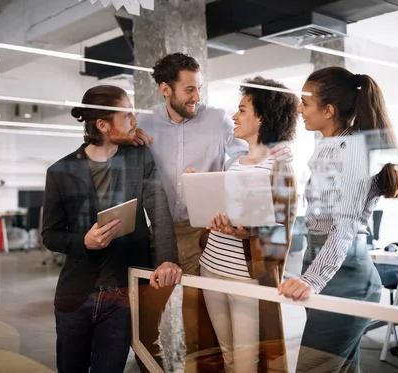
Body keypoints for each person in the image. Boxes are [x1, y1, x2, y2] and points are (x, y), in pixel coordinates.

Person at [42, 85, 182, 373]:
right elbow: (50, 235)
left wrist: (168, 260)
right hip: (76, 295)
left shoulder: (139, 158)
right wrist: (84, 241)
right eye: (127, 115)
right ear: (103, 125)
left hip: (123, 294)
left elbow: (159, 211)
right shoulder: (60, 171)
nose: (134, 120)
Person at [279, 66, 398, 371]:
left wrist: (311, 279)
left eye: (305, 103)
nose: (299, 110)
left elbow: (344, 225)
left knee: (312, 367)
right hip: (332, 268)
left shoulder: (349, 152)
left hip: (345, 275)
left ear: (329, 110)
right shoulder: (332, 147)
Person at [133, 52, 248, 371]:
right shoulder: (144, 122)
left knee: (201, 321)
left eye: (199, 88)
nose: (197, 96)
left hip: (206, 232)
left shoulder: (218, 119)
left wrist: (219, 181)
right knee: (145, 322)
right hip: (164, 232)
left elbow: (241, 160)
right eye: (189, 90)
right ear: (165, 89)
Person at [200, 77, 298, 373]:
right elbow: (220, 210)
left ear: (262, 118)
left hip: (246, 277)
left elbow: (282, 229)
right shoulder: (231, 163)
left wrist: (248, 231)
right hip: (211, 267)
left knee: (246, 363)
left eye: (242, 110)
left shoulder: (279, 167)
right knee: (227, 356)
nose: (234, 116)